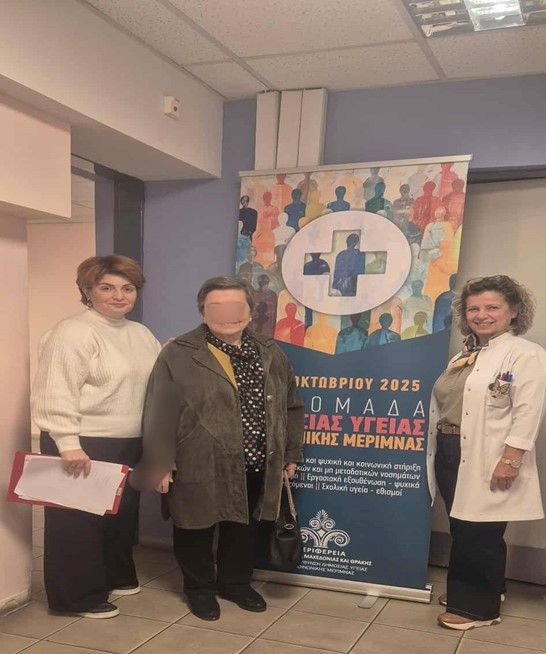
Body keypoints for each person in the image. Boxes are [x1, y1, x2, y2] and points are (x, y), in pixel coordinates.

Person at [133, 277, 304, 621]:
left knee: (244, 527)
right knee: (194, 526)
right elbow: (159, 410)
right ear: (203, 312)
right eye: (217, 307)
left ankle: (235, 583)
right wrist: (161, 462)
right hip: (197, 460)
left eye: (236, 306)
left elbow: (291, 405)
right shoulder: (179, 353)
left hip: (257, 460)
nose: (228, 314)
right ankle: (199, 589)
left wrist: (290, 452)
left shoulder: (270, 352)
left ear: (250, 311)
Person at [31, 255, 161, 619]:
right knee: (76, 522)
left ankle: (114, 576)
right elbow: (55, 391)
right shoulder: (72, 332)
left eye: (127, 288)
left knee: (118, 516)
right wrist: (67, 444)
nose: (119, 296)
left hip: (128, 440)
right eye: (107, 288)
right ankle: (76, 598)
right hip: (82, 441)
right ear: (88, 291)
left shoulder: (140, 334)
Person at [427, 275, 545, 631]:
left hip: (489, 454)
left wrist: (510, 459)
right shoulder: (465, 356)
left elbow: (528, 411)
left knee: (480, 530)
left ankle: (477, 609)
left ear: (514, 311)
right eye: (473, 308)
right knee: (464, 526)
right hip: (451, 449)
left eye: (492, 307)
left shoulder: (526, 354)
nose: (481, 315)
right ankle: (488, 589)